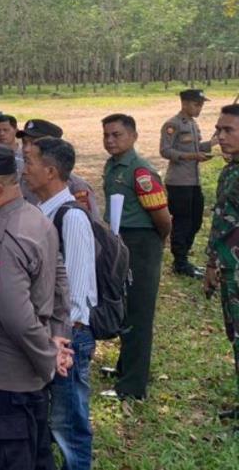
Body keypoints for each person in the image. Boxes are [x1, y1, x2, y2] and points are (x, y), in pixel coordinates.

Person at [0, 143, 72, 470]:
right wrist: (58, 337)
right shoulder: (34, 216)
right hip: (26, 376)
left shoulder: (1, 238)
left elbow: (15, 316)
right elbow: (60, 278)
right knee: (35, 457)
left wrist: (48, 358)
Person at [22, 138, 97, 470]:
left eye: (30, 162)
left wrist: (65, 340)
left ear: (50, 170)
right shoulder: (40, 212)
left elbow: (78, 294)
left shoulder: (71, 218)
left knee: (68, 423)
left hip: (67, 337)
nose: (24, 170)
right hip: (48, 333)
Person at [101, 113, 171, 400]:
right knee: (126, 307)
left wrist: (156, 244)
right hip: (120, 241)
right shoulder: (112, 165)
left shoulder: (141, 172)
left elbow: (163, 218)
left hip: (141, 242)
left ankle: (132, 387)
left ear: (133, 136)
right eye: (106, 135)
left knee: (139, 313)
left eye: (116, 135)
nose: (110, 140)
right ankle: (124, 367)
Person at [205, 104, 239, 421]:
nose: (221, 136)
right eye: (219, 130)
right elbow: (221, 223)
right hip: (231, 270)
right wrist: (212, 264)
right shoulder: (230, 170)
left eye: (229, 130)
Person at [161, 89, 215, 278]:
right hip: (178, 182)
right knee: (183, 221)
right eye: (196, 104)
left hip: (194, 181)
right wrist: (192, 156)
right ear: (184, 103)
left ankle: (184, 256)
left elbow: (196, 147)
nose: (199, 108)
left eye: (201, 105)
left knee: (196, 220)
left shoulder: (193, 124)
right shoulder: (173, 124)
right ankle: (180, 262)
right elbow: (165, 150)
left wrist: (210, 144)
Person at [17, 119, 101, 217]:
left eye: (34, 143)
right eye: (24, 142)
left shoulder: (76, 186)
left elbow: (88, 221)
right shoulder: (24, 179)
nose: (26, 149)